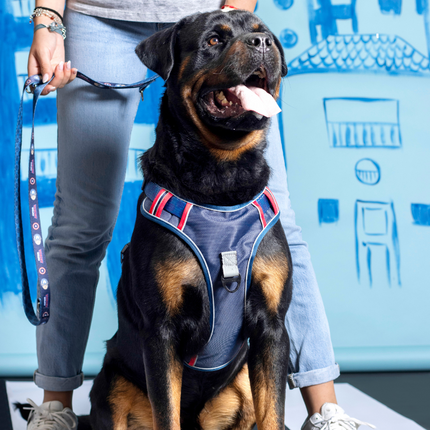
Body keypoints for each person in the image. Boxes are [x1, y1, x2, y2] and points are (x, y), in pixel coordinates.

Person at [25, 1, 373, 429]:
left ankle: (324, 410)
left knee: (280, 230)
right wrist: (48, 19)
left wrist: (235, 18)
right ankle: (56, 408)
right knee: (80, 229)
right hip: (99, 14)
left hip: (207, 9)